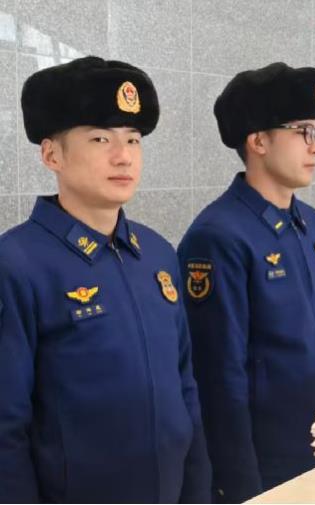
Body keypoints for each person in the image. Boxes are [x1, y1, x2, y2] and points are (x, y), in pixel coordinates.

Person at [0, 56, 211, 503]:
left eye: (133, 139)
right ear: (51, 154)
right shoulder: (16, 264)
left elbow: (185, 389)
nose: (123, 156)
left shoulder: (156, 254)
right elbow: (5, 429)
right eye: (100, 139)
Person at [177, 62, 315, 503]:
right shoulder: (218, 236)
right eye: (302, 131)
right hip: (267, 461)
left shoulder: (314, 226)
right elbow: (218, 377)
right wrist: (239, 485)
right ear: (258, 141)